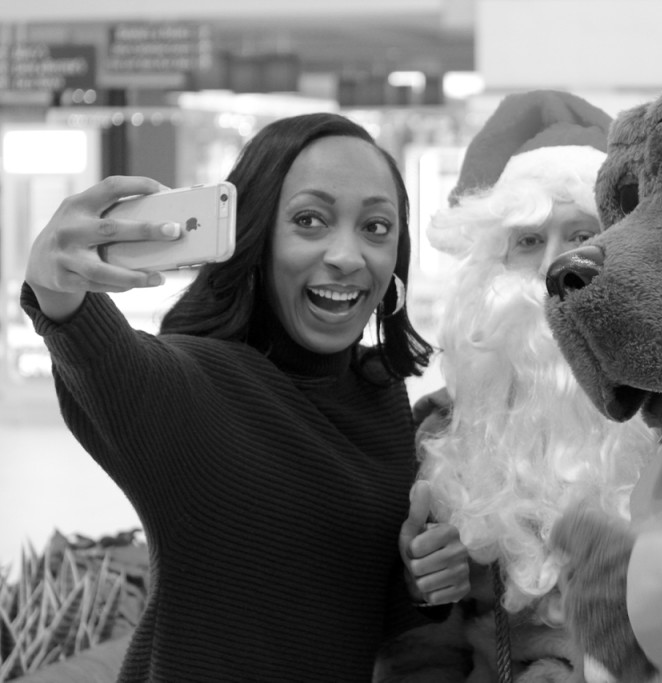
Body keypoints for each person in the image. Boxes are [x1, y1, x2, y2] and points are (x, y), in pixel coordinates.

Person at [22, 112, 469, 683]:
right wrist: (54, 283)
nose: (349, 256)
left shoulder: (377, 394)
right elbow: (104, 359)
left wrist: (422, 581)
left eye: (376, 228)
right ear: (254, 236)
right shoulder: (198, 386)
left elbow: (343, 607)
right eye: (310, 220)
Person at [377, 91, 658, 681]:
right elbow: (416, 648)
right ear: (491, 268)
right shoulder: (440, 436)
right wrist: (423, 588)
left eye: (581, 234)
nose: (553, 267)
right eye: (528, 241)